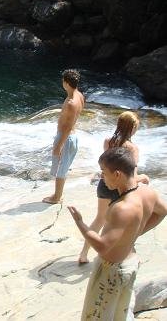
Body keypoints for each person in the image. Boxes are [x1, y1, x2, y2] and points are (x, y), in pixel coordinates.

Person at [68, 147, 167, 320]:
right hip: (130, 263)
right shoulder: (146, 192)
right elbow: (163, 211)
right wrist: (135, 234)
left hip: (112, 271)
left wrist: (80, 223)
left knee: (98, 315)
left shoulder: (122, 208)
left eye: (104, 173)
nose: (102, 178)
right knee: (121, 312)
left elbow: (101, 247)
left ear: (118, 174)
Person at [77, 111, 150, 264]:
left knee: (99, 219)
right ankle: (124, 253)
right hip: (121, 190)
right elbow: (132, 178)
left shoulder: (108, 141)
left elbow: (107, 166)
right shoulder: (132, 149)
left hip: (104, 184)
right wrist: (145, 178)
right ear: (133, 128)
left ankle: (84, 254)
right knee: (123, 225)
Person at [43, 69, 85, 204]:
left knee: (61, 168)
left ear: (66, 83)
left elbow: (67, 126)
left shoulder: (71, 102)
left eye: (63, 80)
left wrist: (58, 146)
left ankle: (56, 197)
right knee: (63, 166)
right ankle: (57, 194)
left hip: (66, 138)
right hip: (70, 137)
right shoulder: (79, 95)